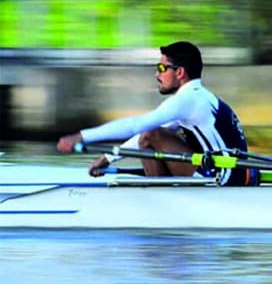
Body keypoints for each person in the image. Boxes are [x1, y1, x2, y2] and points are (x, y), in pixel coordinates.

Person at [56, 41, 254, 185]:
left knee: (151, 134)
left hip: (222, 177)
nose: (157, 74)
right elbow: (146, 133)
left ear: (180, 73)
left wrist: (81, 137)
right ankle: (161, 190)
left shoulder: (187, 100)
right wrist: (107, 159)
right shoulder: (200, 98)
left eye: (162, 68)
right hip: (233, 173)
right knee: (152, 133)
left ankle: (158, 195)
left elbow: (139, 127)